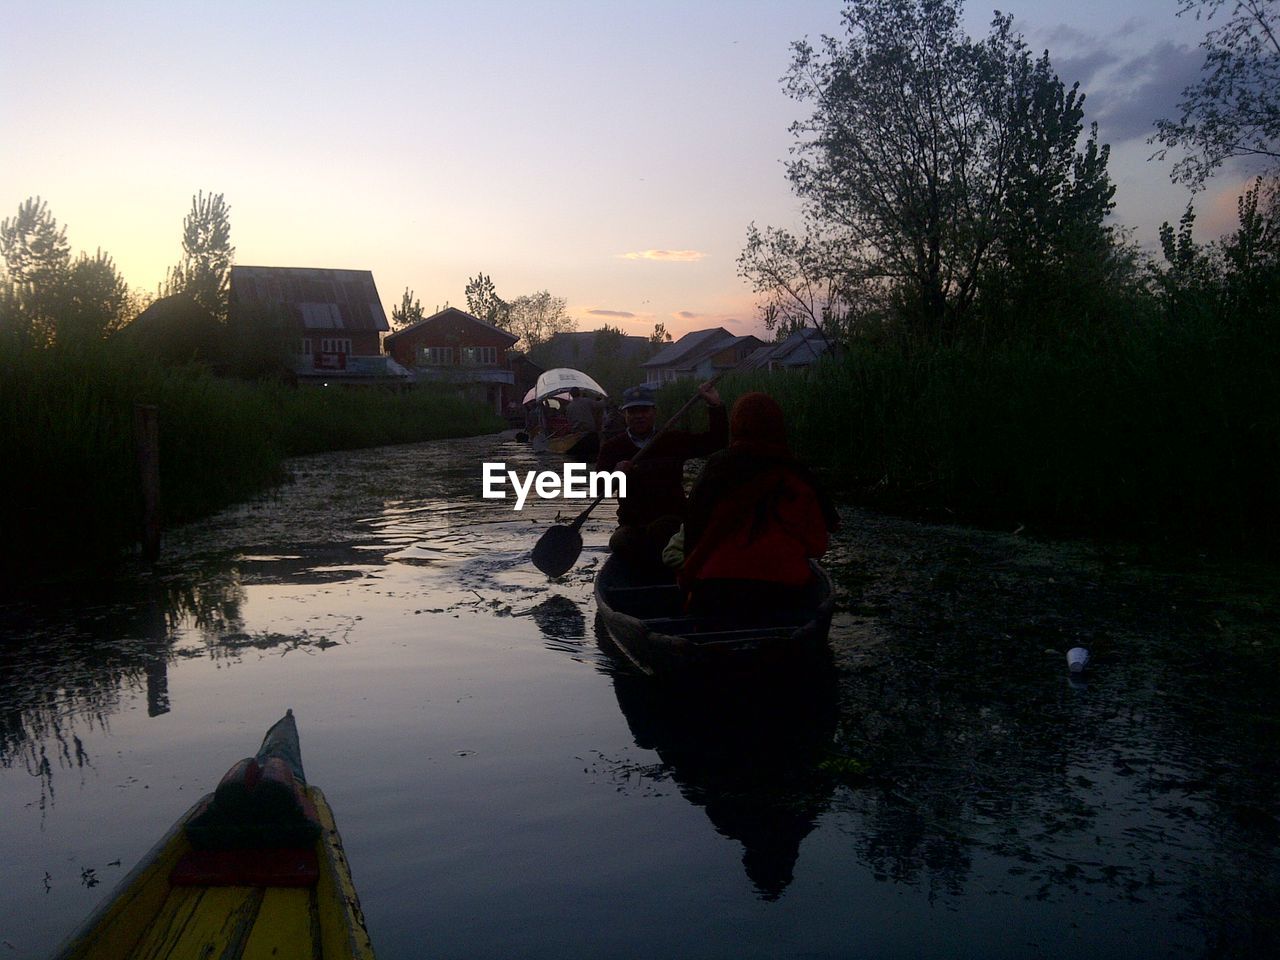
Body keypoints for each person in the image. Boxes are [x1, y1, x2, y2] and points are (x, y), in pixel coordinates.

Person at [676, 392, 839, 613]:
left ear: (736, 425)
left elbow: (694, 531)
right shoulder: (799, 474)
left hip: (716, 592)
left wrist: (689, 580)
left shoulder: (717, 468)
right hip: (786, 594)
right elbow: (817, 546)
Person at [597, 381, 728, 569]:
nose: (639, 416)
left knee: (664, 530)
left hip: (673, 523)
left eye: (644, 410)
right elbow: (600, 489)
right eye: (633, 411)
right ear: (625, 415)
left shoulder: (673, 440)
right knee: (620, 542)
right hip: (633, 526)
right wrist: (615, 474)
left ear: (654, 412)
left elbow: (717, 442)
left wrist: (715, 406)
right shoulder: (612, 448)